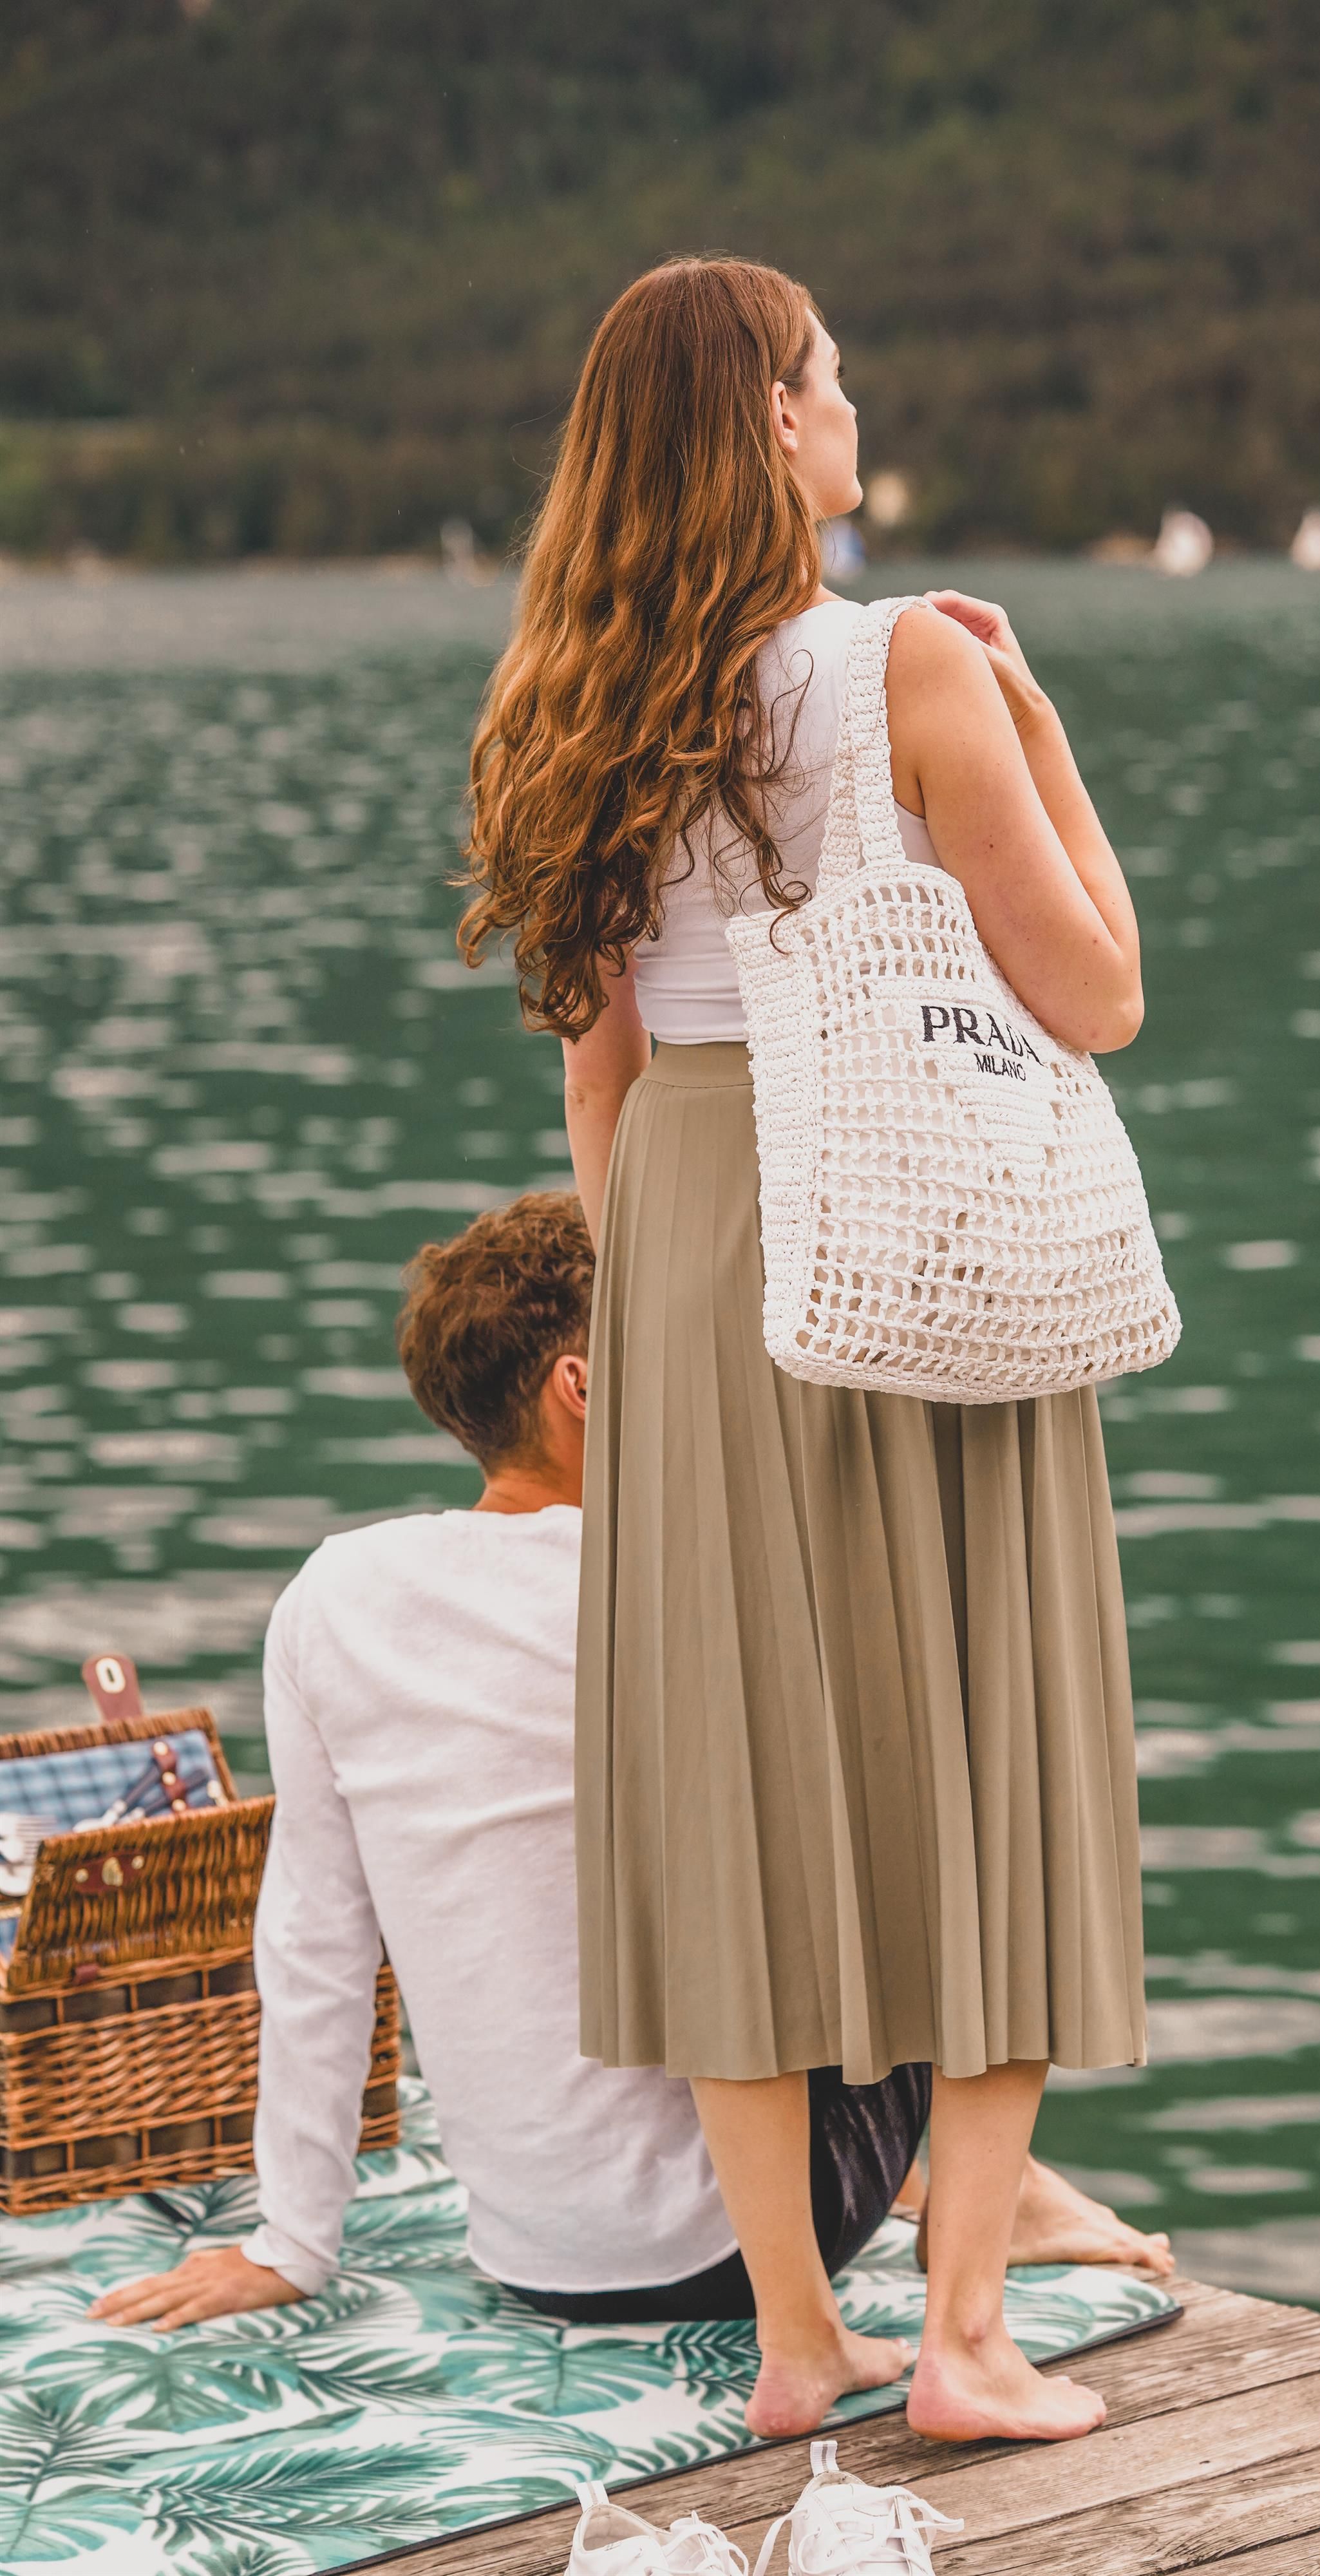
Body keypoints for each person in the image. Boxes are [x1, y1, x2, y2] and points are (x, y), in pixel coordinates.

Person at [460, 260, 1165, 2445]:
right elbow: (1098, 994)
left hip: (685, 1230)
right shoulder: (908, 670)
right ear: (774, 422)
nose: (854, 403)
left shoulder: (576, 705)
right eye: (832, 374)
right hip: (907, 1217)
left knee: (736, 1782)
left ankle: (795, 2342)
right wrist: (1039, 727)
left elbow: (599, 1079)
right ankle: (962, 2340)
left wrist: (661, 1316)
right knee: (988, 1749)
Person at [90, 1195, 1168, 2337]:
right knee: (954, 1801)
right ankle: (1001, 2196)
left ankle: (971, 2186)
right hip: (762, 2237)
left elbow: (314, 1938)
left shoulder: (334, 1598)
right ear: (583, 1385)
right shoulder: (682, 1581)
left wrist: (291, 2245)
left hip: (534, 2251)